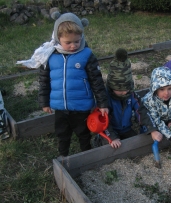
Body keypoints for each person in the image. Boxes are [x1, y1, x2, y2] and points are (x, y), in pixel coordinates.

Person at [19, 12, 109, 157]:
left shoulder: (86, 55)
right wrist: (44, 102)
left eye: (77, 41)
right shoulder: (49, 56)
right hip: (60, 106)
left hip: (81, 106)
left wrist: (102, 103)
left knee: (83, 132)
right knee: (62, 133)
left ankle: (86, 155)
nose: (73, 46)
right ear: (57, 38)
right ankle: (63, 157)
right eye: (68, 42)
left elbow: (96, 81)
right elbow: (44, 81)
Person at [93, 48, 146, 149]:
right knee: (111, 147)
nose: (123, 92)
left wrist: (146, 127)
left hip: (126, 129)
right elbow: (103, 121)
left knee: (137, 143)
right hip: (109, 130)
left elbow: (141, 110)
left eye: (126, 89)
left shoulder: (131, 95)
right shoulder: (105, 99)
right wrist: (112, 137)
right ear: (112, 87)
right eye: (119, 90)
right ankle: (99, 140)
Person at [139, 66, 171, 152]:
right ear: (155, 89)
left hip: (165, 120)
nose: (166, 93)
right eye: (162, 89)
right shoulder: (150, 101)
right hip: (151, 123)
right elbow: (157, 122)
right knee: (146, 136)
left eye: (170, 88)